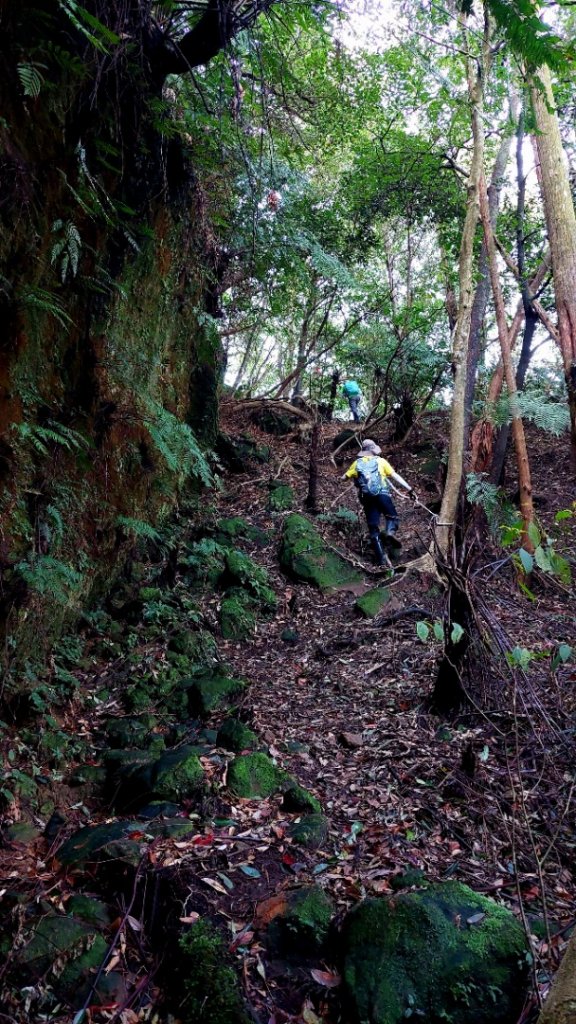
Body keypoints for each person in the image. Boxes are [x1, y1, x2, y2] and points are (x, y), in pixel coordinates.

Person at [343, 439, 416, 565]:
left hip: (367, 498)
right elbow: (395, 476)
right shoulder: (381, 461)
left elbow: (343, 478)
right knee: (392, 516)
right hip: (382, 494)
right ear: (373, 450)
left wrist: (354, 477)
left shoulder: (356, 463)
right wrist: (410, 489)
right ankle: (389, 533)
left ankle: (381, 559)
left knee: (373, 528)